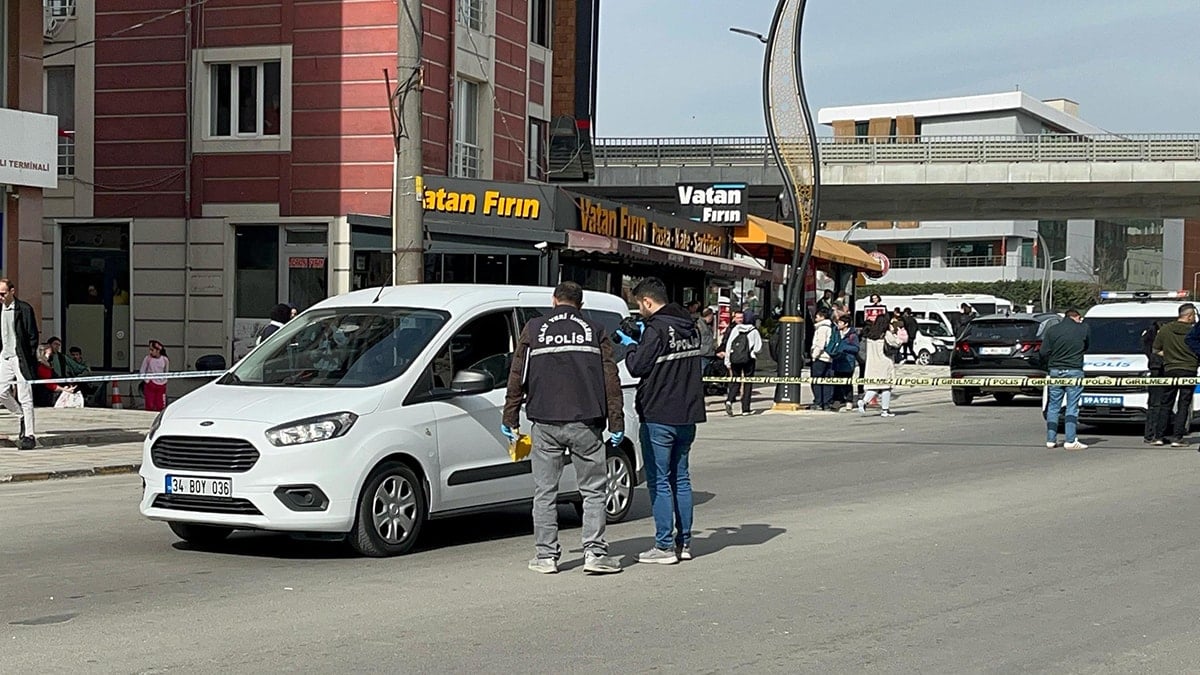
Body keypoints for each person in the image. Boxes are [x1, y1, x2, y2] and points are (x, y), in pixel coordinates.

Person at [502, 281, 624, 575]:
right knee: (593, 491)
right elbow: (610, 379)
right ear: (580, 305)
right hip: (586, 421)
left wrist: (510, 417)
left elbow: (517, 374)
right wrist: (616, 421)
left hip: (545, 420)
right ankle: (594, 553)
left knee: (545, 491)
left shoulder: (534, 328)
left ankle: (545, 556)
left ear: (554, 301)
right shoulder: (595, 330)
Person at [622, 277, 705, 565]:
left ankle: (664, 546)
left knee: (659, 482)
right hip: (688, 413)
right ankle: (685, 543)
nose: (639, 311)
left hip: (659, 413)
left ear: (647, 301)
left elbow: (636, 367)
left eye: (639, 305)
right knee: (681, 478)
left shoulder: (657, 329)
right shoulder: (690, 327)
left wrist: (631, 344)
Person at [1041, 309, 1090, 450]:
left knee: (1053, 406)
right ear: (1077, 317)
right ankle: (1070, 440)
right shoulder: (1083, 329)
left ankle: (1051, 439)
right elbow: (1087, 346)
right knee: (1072, 406)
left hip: (1055, 371)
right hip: (1074, 370)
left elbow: (1044, 352)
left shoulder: (1052, 330)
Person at [0, 278, 39, 449]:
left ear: (12, 291)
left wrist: (28, 357)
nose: (0, 297)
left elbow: (32, 336)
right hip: (4, 355)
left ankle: (29, 434)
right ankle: (21, 415)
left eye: (3, 293)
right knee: (1, 391)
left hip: (20, 357)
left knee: (25, 396)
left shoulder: (24, 309)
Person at [1153, 304, 1199, 447]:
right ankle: (1177, 437)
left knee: (1166, 403)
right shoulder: (1195, 331)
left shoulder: (1165, 329)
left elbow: (1155, 349)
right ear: (1190, 315)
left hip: (1170, 370)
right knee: (1183, 404)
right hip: (1189, 370)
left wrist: (1168, 357)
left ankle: (1159, 436)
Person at [857, 314, 902, 418]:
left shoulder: (871, 334)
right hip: (884, 363)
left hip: (872, 363)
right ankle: (885, 410)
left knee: (875, 386)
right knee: (886, 387)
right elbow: (897, 343)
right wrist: (894, 332)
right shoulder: (886, 334)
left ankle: (864, 401)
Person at [722, 310, 762, 417]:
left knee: (735, 380)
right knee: (748, 383)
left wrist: (727, 360)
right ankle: (745, 409)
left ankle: (729, 400)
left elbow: (729, 344)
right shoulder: (754, 331)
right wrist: (753, 352)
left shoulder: (736, 329)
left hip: (735, 359)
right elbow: (758, 347)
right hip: (748, 359)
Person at [1143, 320, 1167, 445]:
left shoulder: (1147, 336)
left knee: (1154, 405)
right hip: (1159, 371)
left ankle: (1152, 434)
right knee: (1157, 405)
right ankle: (1153, 434)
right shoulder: (1154, 339)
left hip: (1154, 371)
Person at [809, 308, 837, 411]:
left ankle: (818, 402)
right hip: (830, 357)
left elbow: (820, 344)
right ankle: (827, 403)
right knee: (827, 381)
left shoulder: (822, 328)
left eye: (817, 315)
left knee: (816, 380)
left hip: (821, 357)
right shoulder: (832, 326)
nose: (815, 317)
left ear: (822, 317)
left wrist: (814, 356)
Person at [35, 343, 79, 407]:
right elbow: (49, 385)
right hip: (46, 395)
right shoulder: (41, 367)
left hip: (51, 391)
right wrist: (64, 390)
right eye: (50, 354)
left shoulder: (48, 365)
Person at [830, 314, 859, 411]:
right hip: (837, 361)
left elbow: (856, 348)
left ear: (846, 324)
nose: (838, 324)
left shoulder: (852, 335)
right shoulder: (836, 333)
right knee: (837, 383)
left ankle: (849, 401)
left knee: (847, 383)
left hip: (848, 363)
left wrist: (844, 348)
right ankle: (837, 401)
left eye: (841, 323)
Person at [140, 340, 170, 412]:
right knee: (149, 405)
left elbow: (166, 372)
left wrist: (164, 381)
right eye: (150, 350)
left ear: (158, 350)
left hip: (161, 386)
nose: (150, 352)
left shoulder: (165, 360)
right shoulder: (147, 359)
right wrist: (147, 381)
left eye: (152, 350)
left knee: (160, 405)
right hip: (150, 385)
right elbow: (142, 371)